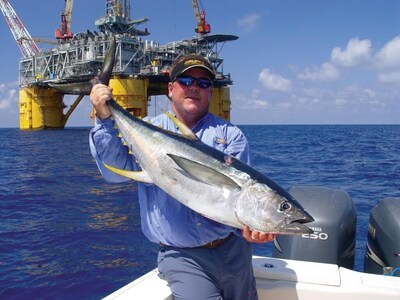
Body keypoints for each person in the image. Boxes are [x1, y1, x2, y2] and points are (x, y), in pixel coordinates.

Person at [89, 54, 276, 300]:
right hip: (182, 256)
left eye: (204, 83)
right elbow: (114, 173)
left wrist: (253, 226)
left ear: (211, 92)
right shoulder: (147, 127)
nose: (195, 87)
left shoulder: (231, 136)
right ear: (170, 88)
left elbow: (240, 200)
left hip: (233, 252)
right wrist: (103, 118)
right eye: (186, 80)